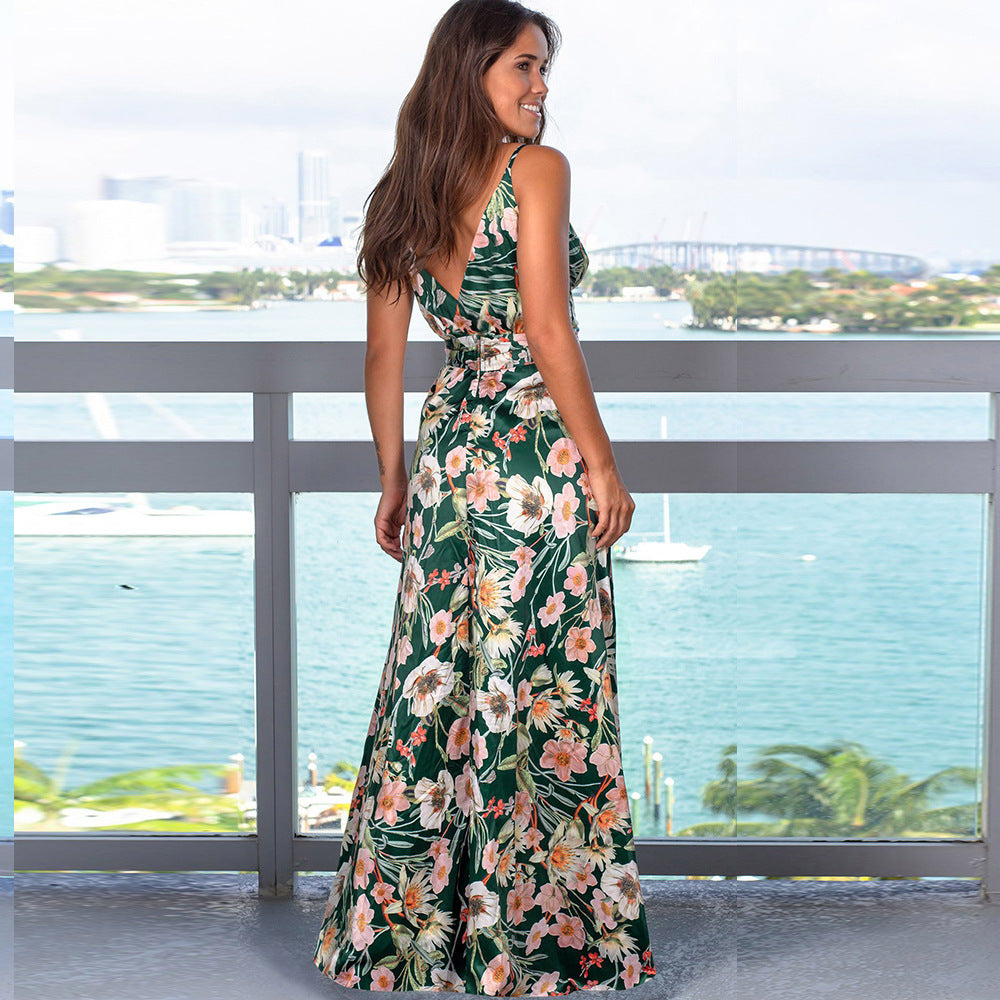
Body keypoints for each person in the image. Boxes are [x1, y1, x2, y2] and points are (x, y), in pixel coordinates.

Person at [312, 1, 656, 993]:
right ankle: (542, 945)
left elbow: (382, 358)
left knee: (441, 689)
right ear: (470, 70)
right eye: (523, 67)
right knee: (545, 687)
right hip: (533, 463)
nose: (540, 88)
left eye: (542, 70)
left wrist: (392, 479)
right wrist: (600, 460)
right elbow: (548, 328)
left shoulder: (402, 192)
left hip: (448, 458)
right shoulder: (535, 172)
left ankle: (406, 944)